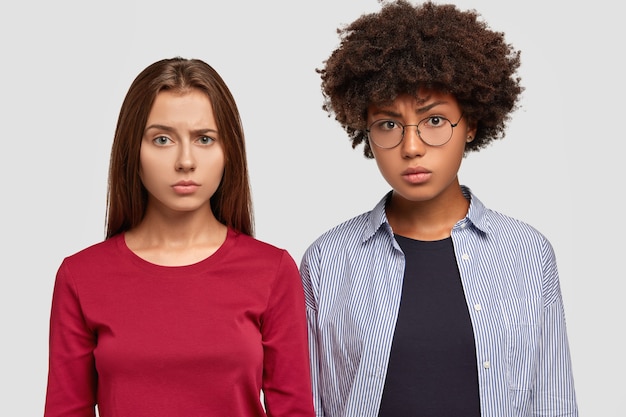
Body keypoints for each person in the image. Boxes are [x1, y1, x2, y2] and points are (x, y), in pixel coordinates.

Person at [300, 1, 578, 416]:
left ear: (472, 124)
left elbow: (553, 401)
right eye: (389, 124)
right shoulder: (328, 260)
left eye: (434, 121)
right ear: (366, 131)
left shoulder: (528, 254)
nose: (411, 148)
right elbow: (312, 403)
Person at [44, 57, 315, 417]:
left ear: (227, 151)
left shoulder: (273, 271)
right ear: (132, 152)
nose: (185, 160)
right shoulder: (80, 277)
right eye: (162, 139)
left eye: (204, 139)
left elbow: (293, 410)